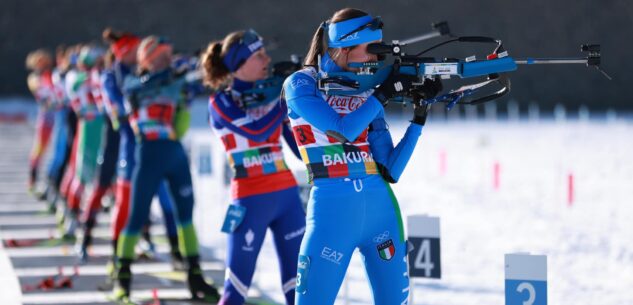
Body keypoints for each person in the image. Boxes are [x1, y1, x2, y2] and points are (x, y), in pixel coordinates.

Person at [282, 8, 442, 305]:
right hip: (331, 213)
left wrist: (419, 117)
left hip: (381, 211)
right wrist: (382, 94)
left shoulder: (366, 91)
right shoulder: (301, 84)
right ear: (344, 45)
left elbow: (391, 170)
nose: (375, 57)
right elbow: (342, 130)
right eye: (371, 48)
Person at [112, 36, 219, 303]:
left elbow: (181, 127)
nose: (168, 61)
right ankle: (122, 278)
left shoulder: (174, 80)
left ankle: (195, 275)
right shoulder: (134, 83)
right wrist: (171, 80)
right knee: (136, 217)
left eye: (169, 56)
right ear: (147, 59)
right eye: (161, 56)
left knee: (186, 216)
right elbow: (131, 90)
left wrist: (184, 96)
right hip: (148, 154)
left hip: (174, 153)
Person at [201, 29, 305, 305]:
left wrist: (303, 111)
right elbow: (257, 132)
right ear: (239, 64)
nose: (267, 60)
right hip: (249, 201)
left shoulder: (271, 96)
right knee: (235, 292)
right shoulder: (221, 102)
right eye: (259, 55)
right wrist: (285, 99)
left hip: (287, 197)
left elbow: (299, 150)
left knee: (299, 290)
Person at [25, 49, 59, 196]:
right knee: (39, 149)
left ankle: (52, 179)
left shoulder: (53, 74)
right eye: (39, 62)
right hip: (45, 118)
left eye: (44, 61)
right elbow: (39, 90)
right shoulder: (34, 77)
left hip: (57, 117)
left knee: (57, 149)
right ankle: (32, 179)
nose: (43, 64)